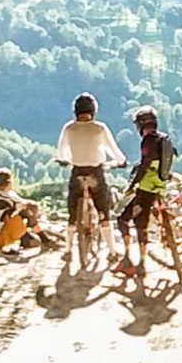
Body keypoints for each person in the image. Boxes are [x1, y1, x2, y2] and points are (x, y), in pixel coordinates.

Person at [54, 93, 124, 268]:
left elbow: (61, 152)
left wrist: (64, 159)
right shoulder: (99, 128)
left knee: (72, 214)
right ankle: (112, 252)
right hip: (95, 173)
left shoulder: (69, 128)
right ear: (93, 110)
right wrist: (121, 161)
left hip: (77, 172)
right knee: (104, 213)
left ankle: (68, 250)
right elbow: (113, 149)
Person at [113, 105, 174, 280]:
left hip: (145, 190)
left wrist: (132, 185)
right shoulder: (164, 139)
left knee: (126, 221)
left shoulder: (148, 142)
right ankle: (137, 261)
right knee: (142, 223)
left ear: (141, 125)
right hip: (159, 187)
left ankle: (135, 262)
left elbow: (145, 166)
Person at [0, 169, 48, 253]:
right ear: (9, 182)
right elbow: (31, 206)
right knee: (25, 211)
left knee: (11, 213)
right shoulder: (5, 195)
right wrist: (35, 216)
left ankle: (27, 239)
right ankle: (45, 240)